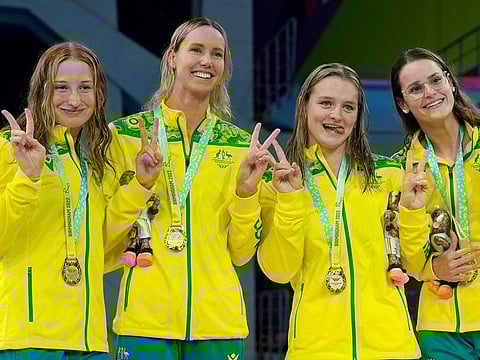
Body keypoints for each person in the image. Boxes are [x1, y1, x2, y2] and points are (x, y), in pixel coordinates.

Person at [104, 17, 279, 360]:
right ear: (172, 57)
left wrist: (245, 193)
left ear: (225, 66)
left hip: (218, 325)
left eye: (217, 54)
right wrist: (140, 185)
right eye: (196, 50)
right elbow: (105, 236)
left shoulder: (240, 147)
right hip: (145, 325)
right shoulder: (125, 136)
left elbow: (242, 253)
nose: (206, 61)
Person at [257, 63, 420, 359]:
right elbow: (278, 271)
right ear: (304, 105)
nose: (337, 116)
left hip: (393, 348)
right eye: (326, 103)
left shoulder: (388, 174)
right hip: (315, 349)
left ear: (358, 116)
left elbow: (414, 259)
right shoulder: (280, 180)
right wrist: (291, 201)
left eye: (349, 107)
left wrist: (413, 209)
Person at [0, 42, 152, 359]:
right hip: (28, 339)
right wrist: (26, 178)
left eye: (85, 87)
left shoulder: (94, 161)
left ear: (98, 96)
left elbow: (104, 252)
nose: (74, 99)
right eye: (61, 88)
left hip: (88, 340)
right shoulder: (9, 149)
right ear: (43, 91)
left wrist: (140, 185)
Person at [391, 47, 480, 359]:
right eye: (416, 89)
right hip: (441, 328)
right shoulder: (400, 169)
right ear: (403, 104)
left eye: (435, 80)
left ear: (451, 83)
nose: (430, 93)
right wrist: (432, 267)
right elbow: (404, 257)